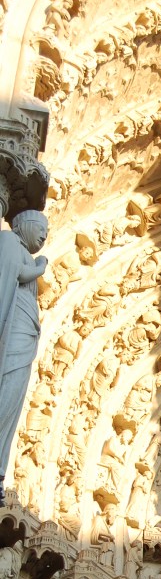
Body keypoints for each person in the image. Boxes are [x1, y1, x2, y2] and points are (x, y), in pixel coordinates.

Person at [0, 211, 49, 506]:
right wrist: (40, 267)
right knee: (6, 386)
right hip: (13, 330)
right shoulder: (7, 241)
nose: (44, 235)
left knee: (13, 395)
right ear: (23, 225)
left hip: (25, 331)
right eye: (40, 228)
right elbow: (15, 275)